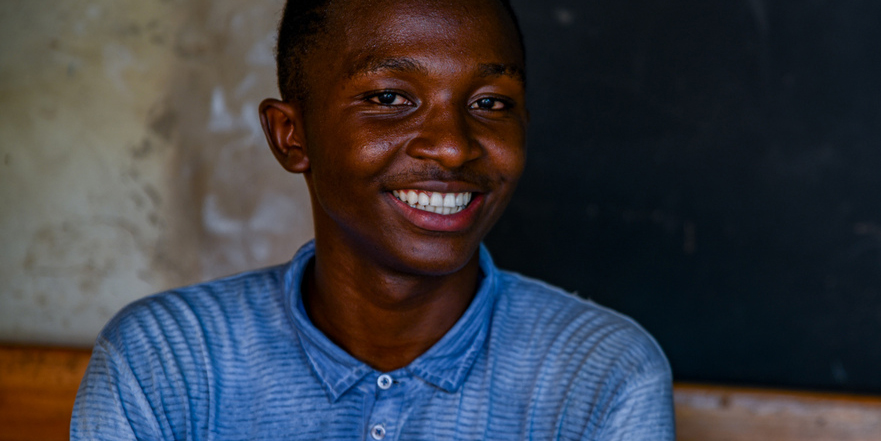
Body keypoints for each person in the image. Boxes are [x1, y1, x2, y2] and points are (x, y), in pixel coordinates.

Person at [70, 0, 675, 439]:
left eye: (490, 103)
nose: (453, 147)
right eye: (390, 98)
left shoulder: (601, 373)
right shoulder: (169, 360)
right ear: (291, 136)